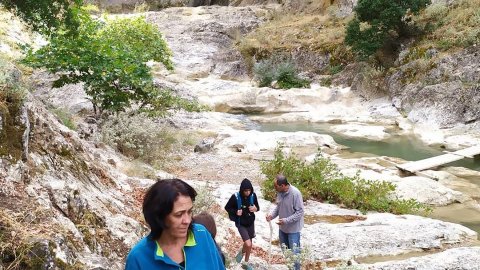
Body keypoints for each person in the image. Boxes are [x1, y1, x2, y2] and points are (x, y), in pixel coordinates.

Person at [125, 179, 225, 270]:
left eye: (189, 212)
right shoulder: (138, 258)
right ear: (159, 216)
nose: (187, 220)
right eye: (178, 215)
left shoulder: (202, 235)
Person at [266, 174, 304, 270]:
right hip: (282, 229)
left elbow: (300, 212)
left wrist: (286, 220)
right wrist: (271, 216)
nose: (275, 188)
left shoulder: (296, 194)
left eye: (276, 186)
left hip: (293, 231)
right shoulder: (280, 192)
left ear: (282, 185)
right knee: (286, 253)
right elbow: (279, 207)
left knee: (295, 255)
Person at [224, 178, 260, 270]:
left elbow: (258, 207)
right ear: (242, 190)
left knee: (249, 244)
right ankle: (242, 256)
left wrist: (255, 208)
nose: (248, 192)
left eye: (249, 190)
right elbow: (227, 207)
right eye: (245, 191)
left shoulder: (253, 196)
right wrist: (236, 211)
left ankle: (245, 263)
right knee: (248, 244)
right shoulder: (235, 197)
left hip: (251, 222)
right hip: (241, 223)